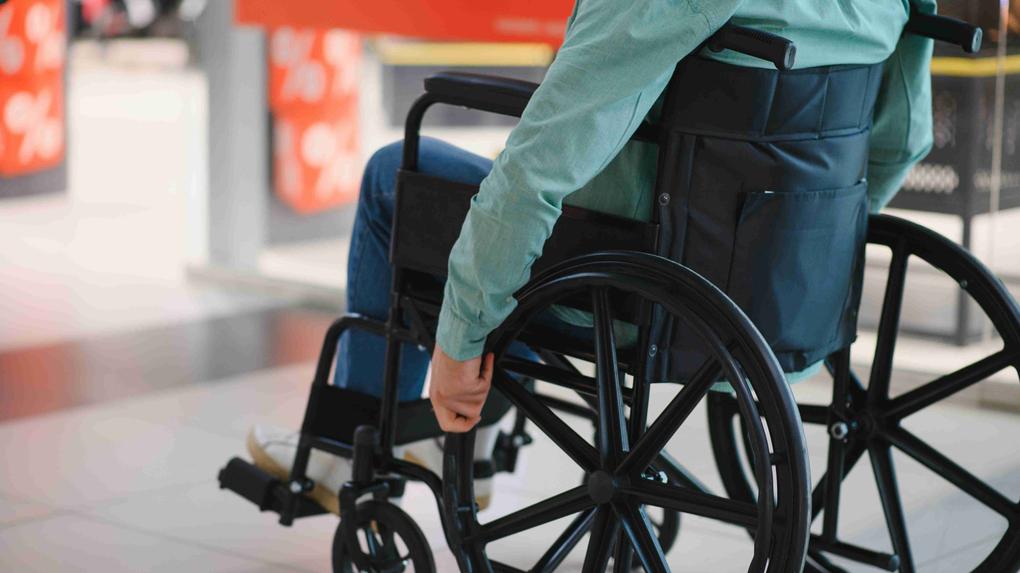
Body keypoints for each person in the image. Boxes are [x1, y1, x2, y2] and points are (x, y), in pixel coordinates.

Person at [247, 0, 936, 515]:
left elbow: (538, 172)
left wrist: (458, 342)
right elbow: (903, 141)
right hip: (769, 288)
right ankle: (474, 441)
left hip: (636, 277)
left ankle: (366, 440)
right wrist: (796, 249)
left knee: (394, 172)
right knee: (512, 214)